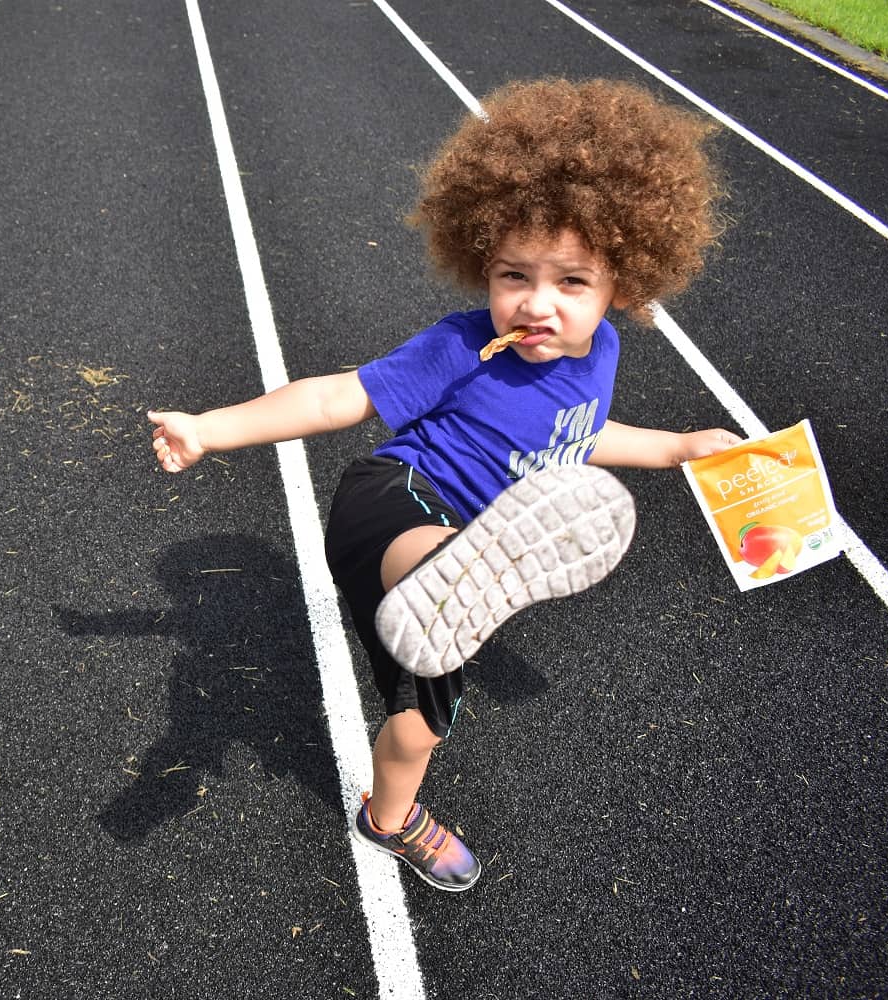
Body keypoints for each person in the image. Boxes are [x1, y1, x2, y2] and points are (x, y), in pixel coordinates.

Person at [146, 78, 740, 892]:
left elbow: (577, 437)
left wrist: (676, 447)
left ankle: (389, 818)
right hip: (394, 503)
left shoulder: (600, 356)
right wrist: (210, 429)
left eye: (571, 283)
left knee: (421, 725)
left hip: (454, 570)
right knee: (439, 558)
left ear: (624, 287)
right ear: (481, 272)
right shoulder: (463, 347)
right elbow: (336, 396)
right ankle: (457, 574)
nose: (536, 304)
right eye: (512, 277)